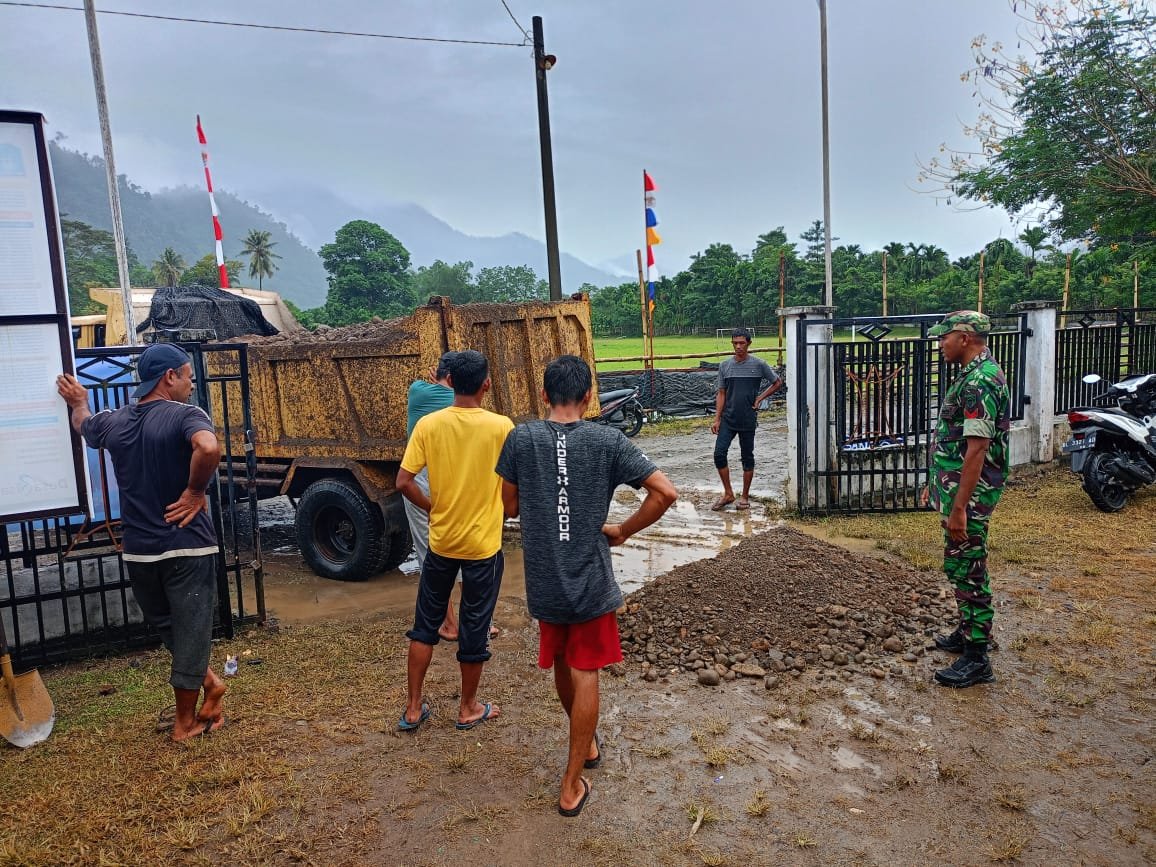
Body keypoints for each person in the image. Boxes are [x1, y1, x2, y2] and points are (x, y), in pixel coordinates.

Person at [497, 355, 678, 818]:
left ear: (544, 396)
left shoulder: (521, 438)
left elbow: (510, 506)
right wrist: (623, 530)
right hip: (591, 580)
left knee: (562, 661)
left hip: (544, 579)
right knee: (586, 671)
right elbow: (666, 493)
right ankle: (571, 782)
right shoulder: (608, 440)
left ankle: (587, 748)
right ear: (587, 397)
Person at [56, 344, 227, 741]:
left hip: (140, 549)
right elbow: (209, 447)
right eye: (188, 376)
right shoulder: (187, 415)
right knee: (190, 628)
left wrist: (78, 401)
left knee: (168, 625)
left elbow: (82, 424)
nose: (190, 384)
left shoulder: (114, 422)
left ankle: (212, 685)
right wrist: (195, 492)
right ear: (170, 377)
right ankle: (187, 721)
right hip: (188, 545)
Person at [395, 350, 513, 732]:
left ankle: (413, 709)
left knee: (424, 626)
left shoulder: (429, 425)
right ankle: (468, 708)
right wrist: (507, 510)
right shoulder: (501, 427)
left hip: (442, 543)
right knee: (474, 628)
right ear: (486, 385)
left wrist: (432, 507)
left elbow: (403, 482)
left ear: (446, 381)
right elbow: (514, 486)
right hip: (483, 546)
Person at [921, 311, 1010, 688]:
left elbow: (976, 450)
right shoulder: (974, 373)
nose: (940, 345)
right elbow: (954, 441)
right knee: (961, 563)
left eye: (945, 338)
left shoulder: (979, 382)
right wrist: (935, 485)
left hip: (969, 497)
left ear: (965, 337)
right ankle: (968, 631)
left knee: (967, 566)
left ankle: (977, 658)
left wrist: (958, 507)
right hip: (957, 488)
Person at [403, 353, 461, 641]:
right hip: (455, 478)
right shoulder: (463, 403)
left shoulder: (418, 392)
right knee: (466, 552)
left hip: (422, 479)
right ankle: (482, 623)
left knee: (432, 554)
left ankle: (450, 624)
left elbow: (403, 481)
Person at [710, 327, 782, 510]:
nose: (738, 346)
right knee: (719, 453)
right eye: (735, 343)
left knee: (747, 457)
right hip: (728, 418)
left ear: (749, 343)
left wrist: (760, 398)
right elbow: (721, 393)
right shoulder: (725, 366)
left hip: (748, 419)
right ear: (732, 344)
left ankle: (744, 496)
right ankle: (728, 493)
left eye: (742, 343)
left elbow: (777, 382)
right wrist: (717, 418)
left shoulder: (759, 365)